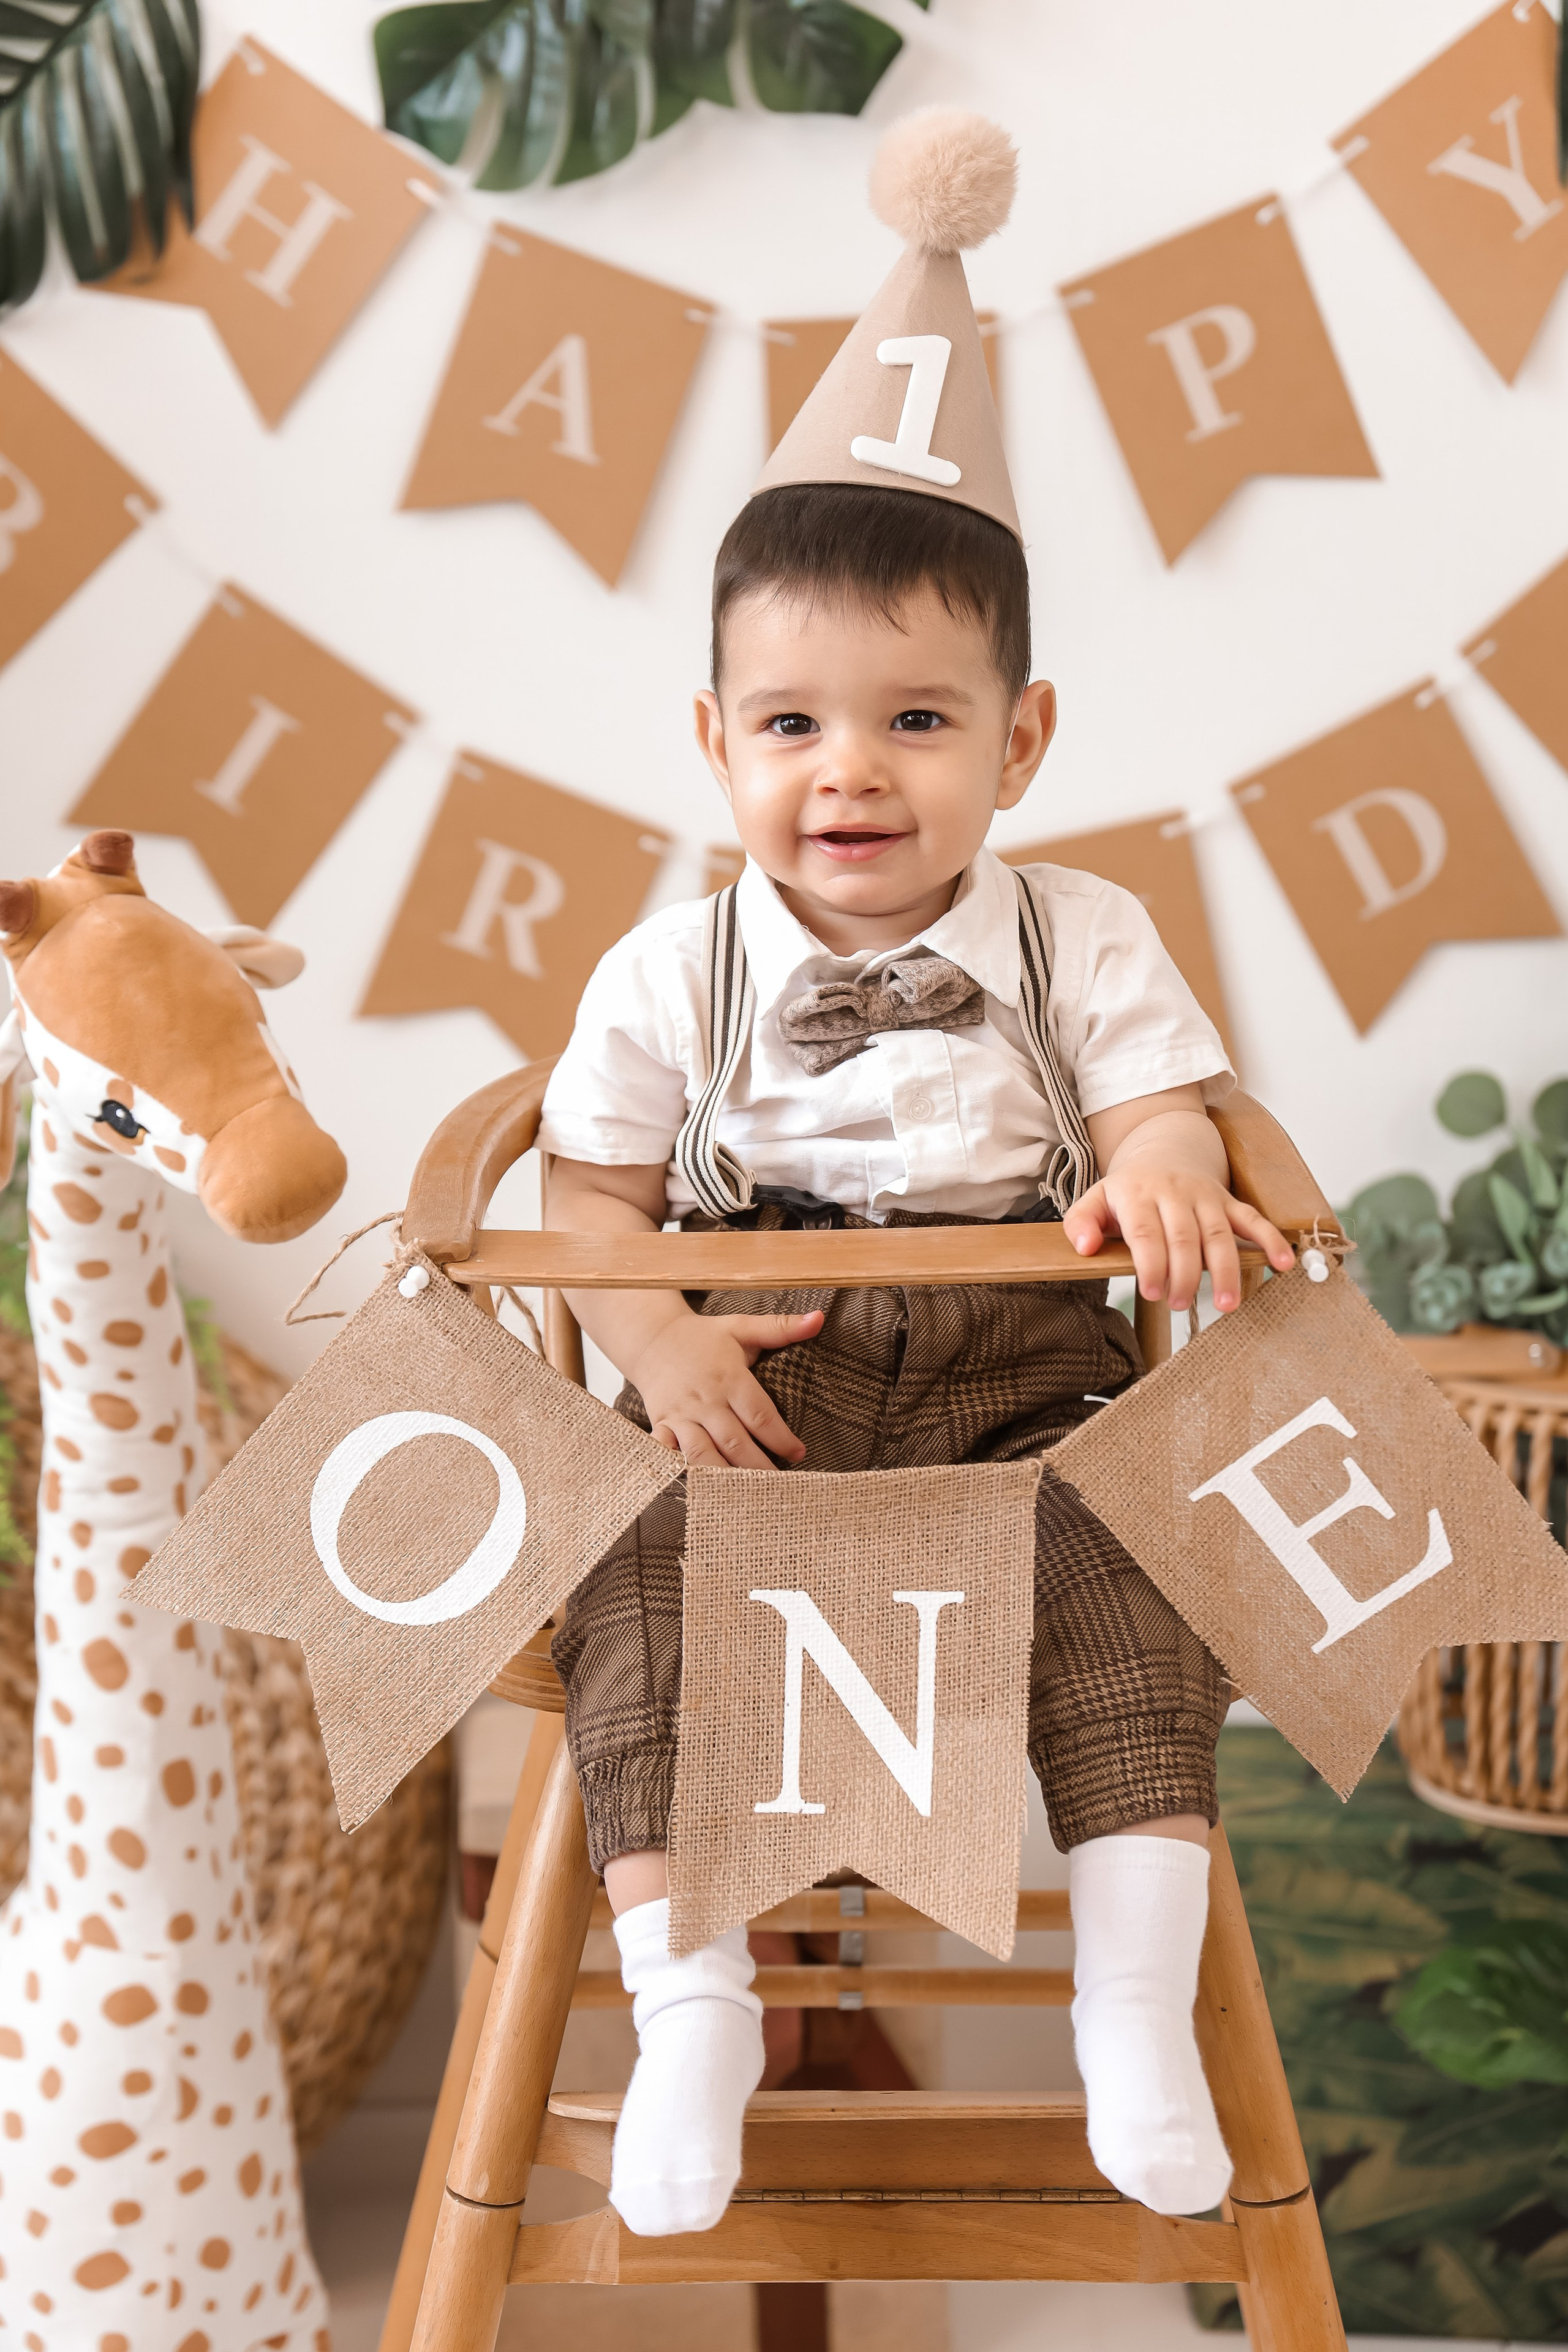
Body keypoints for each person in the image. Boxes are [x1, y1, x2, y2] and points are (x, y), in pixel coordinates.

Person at [535, 107, 1296, 2241]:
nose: (847, 771)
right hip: (755, 1374)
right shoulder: (673, 961)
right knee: (640, 1598)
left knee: (1132, 1593)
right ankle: (696, 1998)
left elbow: (1160, 1103)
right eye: (787, 727)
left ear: (1020, 742)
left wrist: (1157, 1163)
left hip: (1027, 1367)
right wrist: (657, 1338)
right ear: (713, 745)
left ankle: (1129, 2008)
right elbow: (589, 1197)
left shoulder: (1085, 934)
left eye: (914, 722)